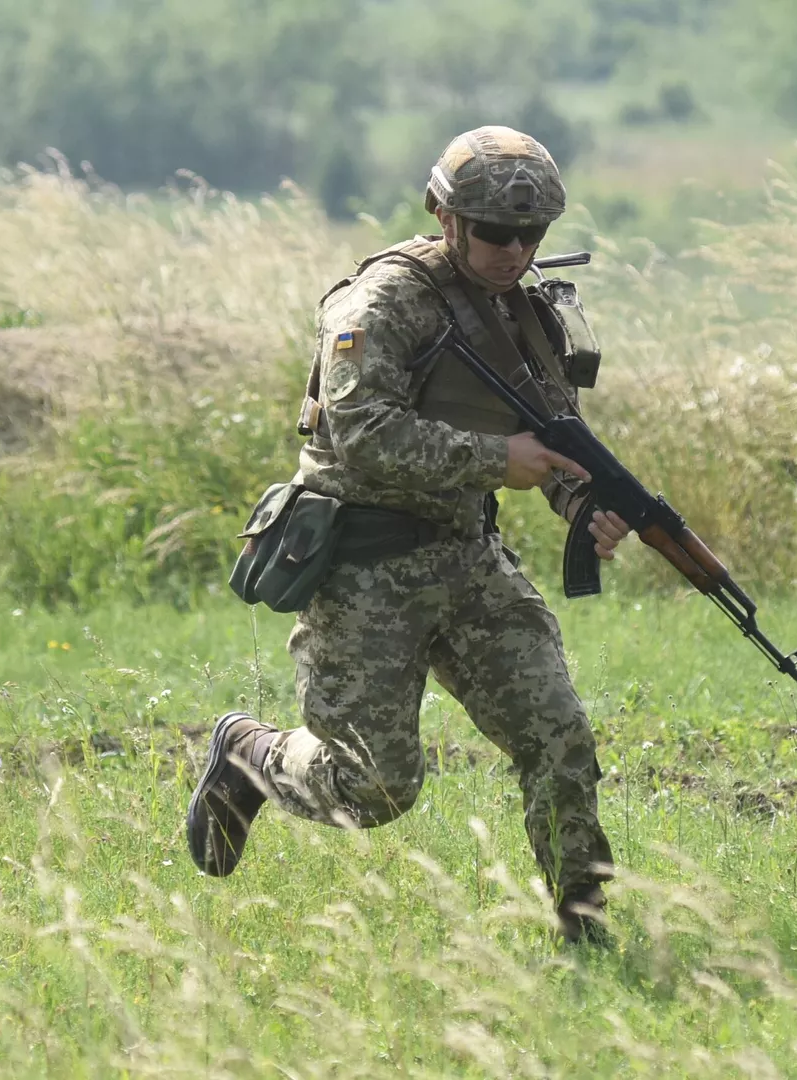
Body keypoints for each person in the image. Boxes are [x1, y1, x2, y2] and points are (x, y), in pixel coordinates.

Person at [188, 126, 630, 943]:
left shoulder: (521, 309)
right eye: (496, 232)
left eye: (532, 235)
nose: (516, 249)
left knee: (559, 738)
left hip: (467, 558)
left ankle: (586, 931)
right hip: (364, 565)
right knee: (373, 789)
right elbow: (362, 434)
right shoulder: (380, 304)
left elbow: (553, 437)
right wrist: (500, 460)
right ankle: (249, 754)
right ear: (444, 214)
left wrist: (582, 507)